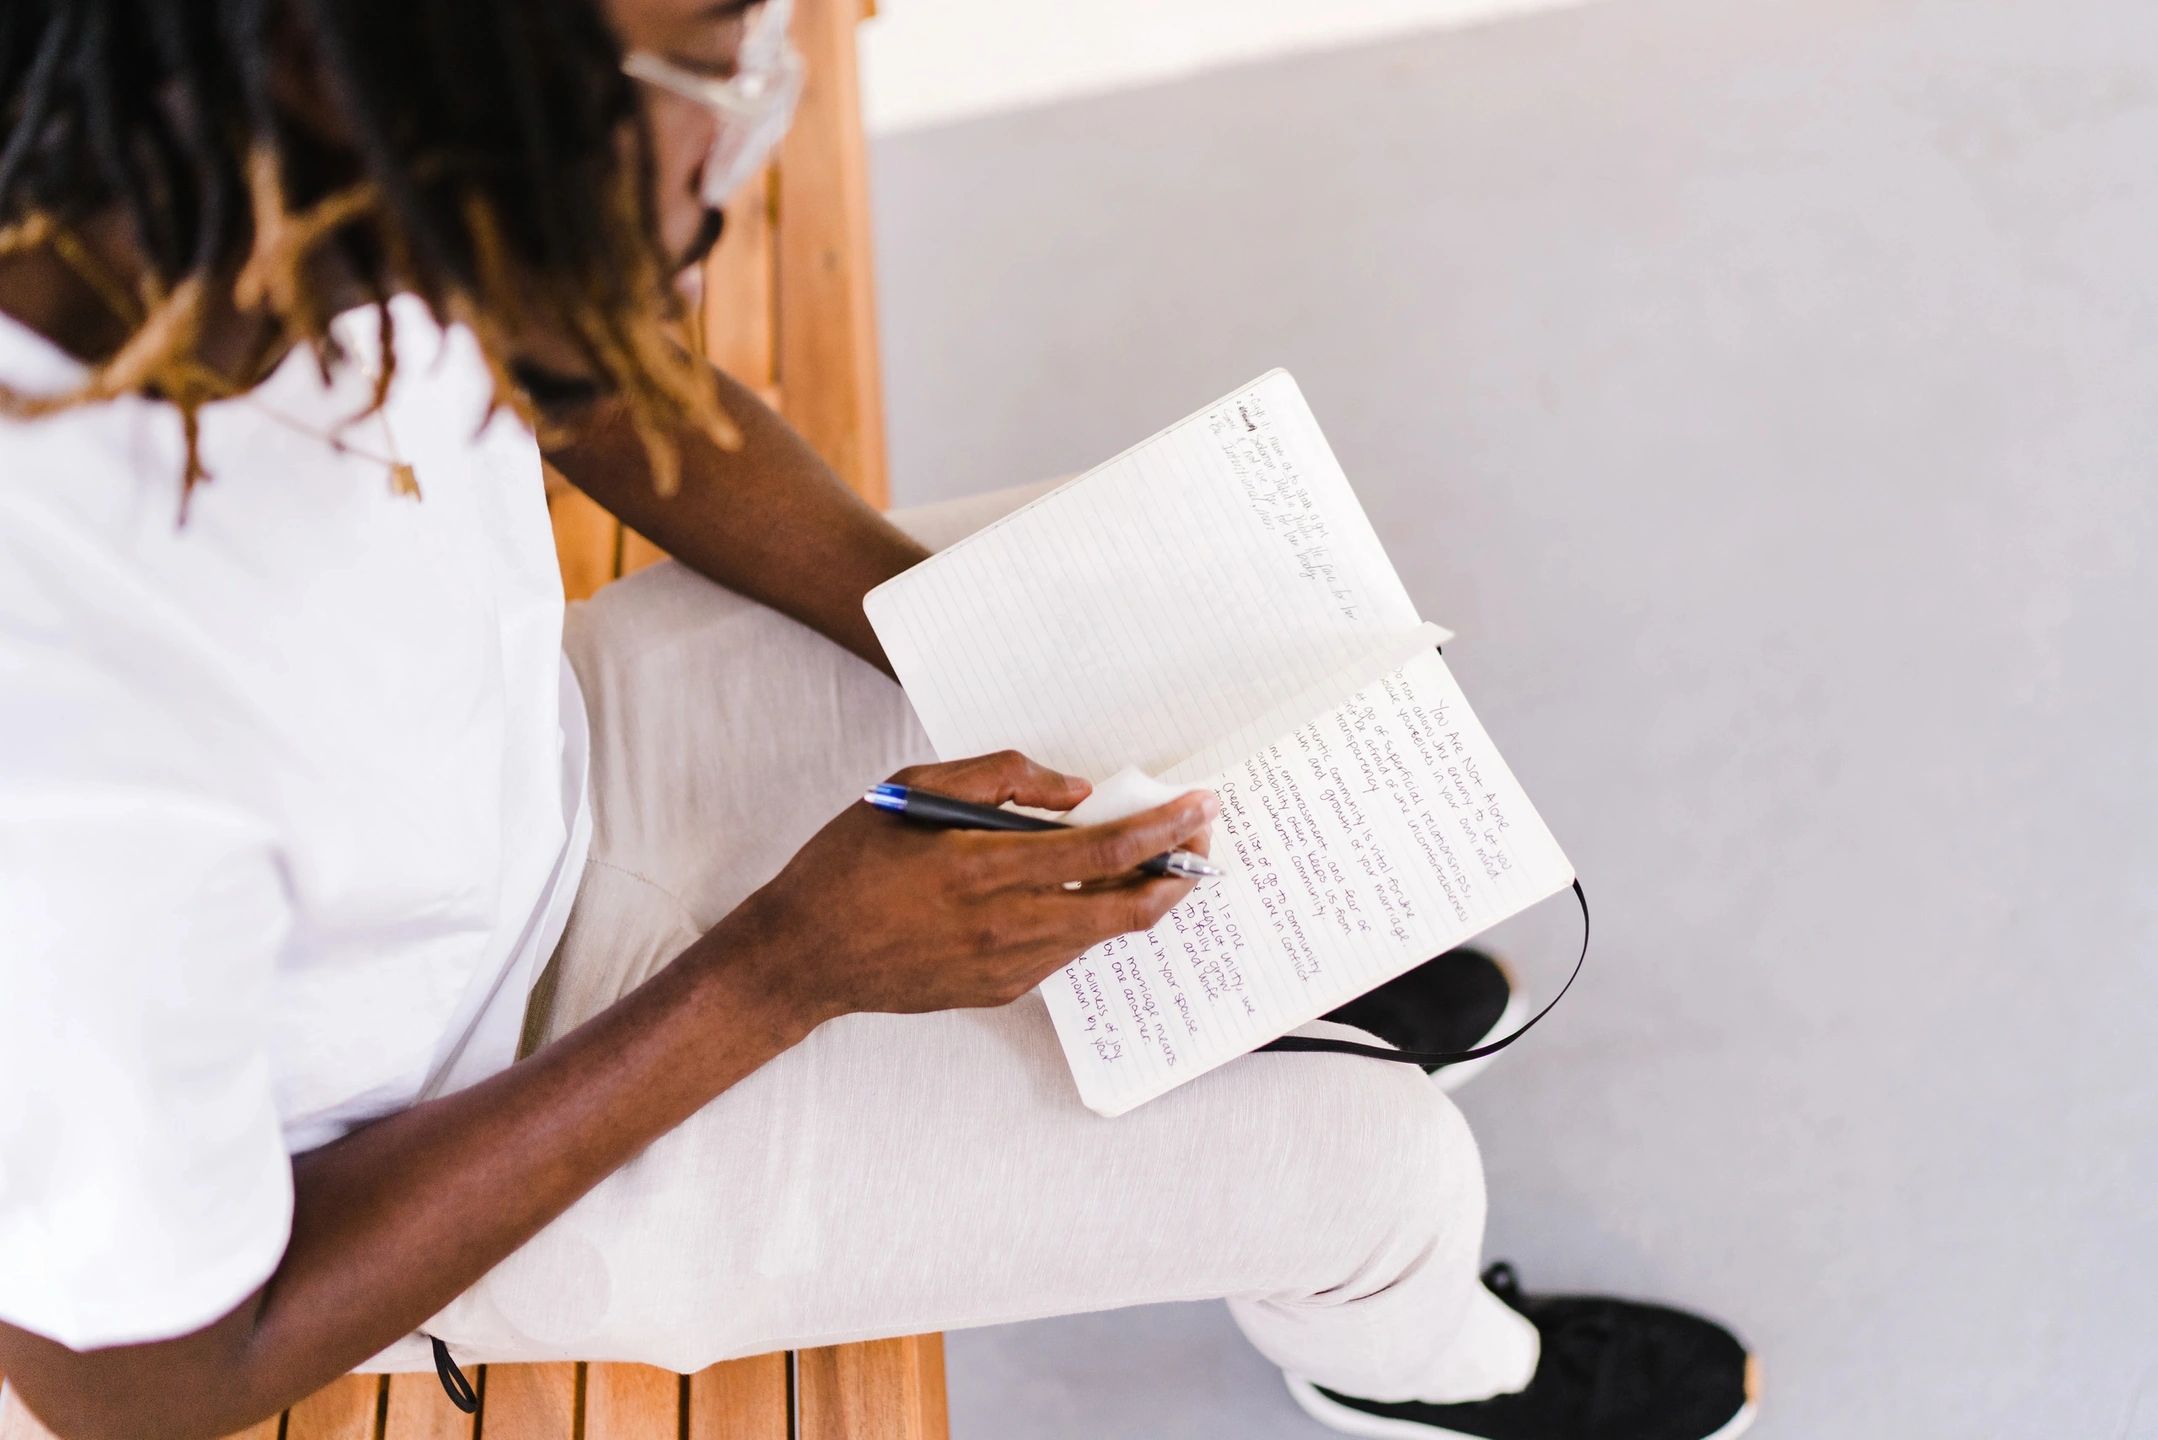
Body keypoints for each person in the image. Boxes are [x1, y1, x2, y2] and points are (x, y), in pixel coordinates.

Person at [0, 3, 1758, 1438]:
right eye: (713, 50)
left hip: (546, 747)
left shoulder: (241, 148)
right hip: (441, 1118)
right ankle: (1419, 1374)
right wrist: (784, 968)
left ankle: (1256, 971)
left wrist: (974, 656)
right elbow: (141, 1378)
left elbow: (589, 371)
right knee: (1381, 1171)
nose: (760, 94)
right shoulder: (70, 756)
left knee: (1259, 645)